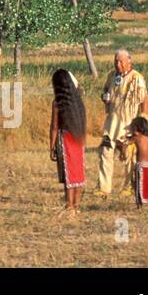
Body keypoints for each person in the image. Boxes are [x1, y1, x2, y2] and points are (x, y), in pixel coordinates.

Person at [97, 49, 148, 195]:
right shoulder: (112, 76)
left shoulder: (136, 78)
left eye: (120, 61)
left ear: (128, 61)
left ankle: (129, 186)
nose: (117, 64)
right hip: (112, 122)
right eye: (115, 61)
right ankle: (103, 187)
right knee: (105, 151)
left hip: (128, 122)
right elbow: (105, 91)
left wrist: (143, 117)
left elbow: (144, 99)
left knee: (128, 153)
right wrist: (104, 98)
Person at [49, 68, 87, 212]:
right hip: (78, 139)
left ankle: (69, 205)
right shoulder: (77, 100)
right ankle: (76, 204)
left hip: (65, 139)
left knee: (68, 175)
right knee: (78, 173)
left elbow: (54, 126)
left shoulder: (57, 103)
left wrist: (51, 146)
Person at [119, 116, 148, 206]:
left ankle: (139, 204)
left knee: (137, 184)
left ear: (137, 128)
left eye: (132, 127)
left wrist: (122, 152)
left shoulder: (137, 138)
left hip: (140, 164)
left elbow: (126, 144)